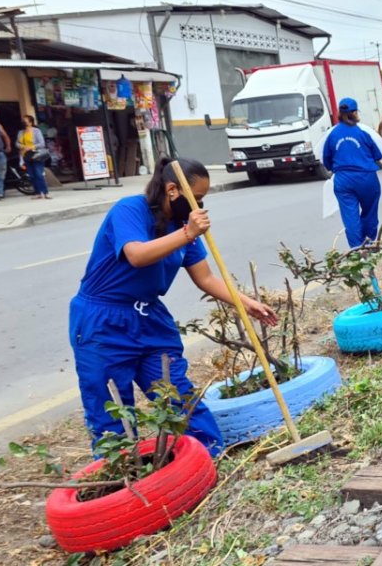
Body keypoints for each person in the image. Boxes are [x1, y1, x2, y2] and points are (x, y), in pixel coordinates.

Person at [69, 157, 278, 457]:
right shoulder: (130, 210)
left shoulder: (182, 226)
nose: (199, 207)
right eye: (197, 198)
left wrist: (247, 304)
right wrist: (188, 233)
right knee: (111, 409)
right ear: (172, 190)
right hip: (103, 321)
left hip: (149, 319)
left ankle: (209, 458)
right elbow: (137, 255)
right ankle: (121, 478)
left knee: (176, 393)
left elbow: (205, 277)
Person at [323, 97, 382, 247]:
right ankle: (369, 245)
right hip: (366, 178)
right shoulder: (363, 132)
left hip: (343, 180)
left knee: (350, 217)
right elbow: (377, 155)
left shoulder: (332, 134)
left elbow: (326, 160)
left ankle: (357, 252)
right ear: (355, 112)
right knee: (369, 213)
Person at [18, 115, 51, 200]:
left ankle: (45, 192)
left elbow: (41, 143)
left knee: (39, 174)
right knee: (31, 175)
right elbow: (17, 143)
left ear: (30, 122)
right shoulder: (21, 132)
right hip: (26, 155)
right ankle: (37, 192)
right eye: (23, 121)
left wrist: (31, 147)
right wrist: (22, 146)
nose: (24, 122)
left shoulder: (36, 131)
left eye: (25, 121)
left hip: (36, 155)